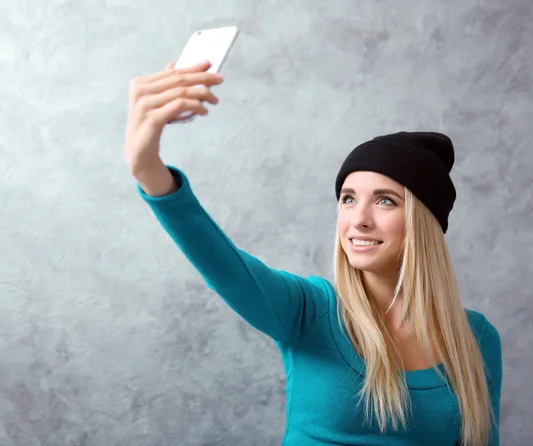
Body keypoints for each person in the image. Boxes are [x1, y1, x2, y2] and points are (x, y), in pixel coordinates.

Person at [124, 60, 503, 446]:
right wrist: (149, 171)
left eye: (385, 201)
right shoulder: (308, 310)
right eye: (348, 199)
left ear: (423, 225)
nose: (358, 219)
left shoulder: (476, 339)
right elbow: (226, 269)